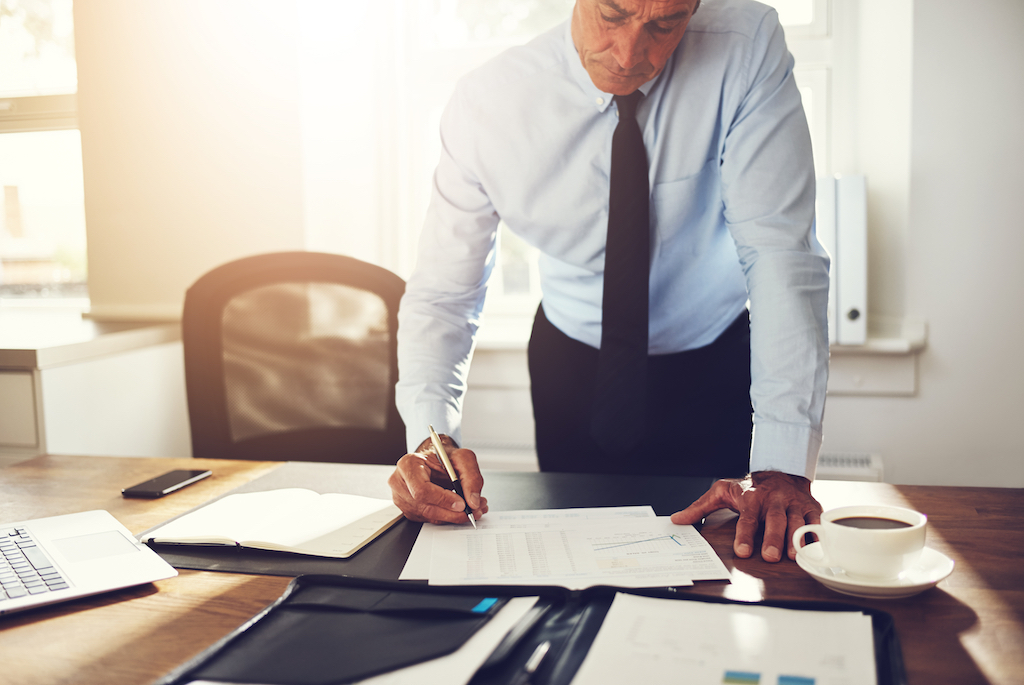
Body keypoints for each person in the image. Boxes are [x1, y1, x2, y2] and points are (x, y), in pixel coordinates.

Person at [387, 0, 829, 563]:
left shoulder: (745, 46)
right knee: (577, 562)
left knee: (722, 565)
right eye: (613, 14)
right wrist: (432, 442)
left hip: (714, 363)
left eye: (664, 24)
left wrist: (783, 466)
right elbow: (445, 294)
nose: (628, 55)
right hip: (572, 366)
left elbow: (780, 254)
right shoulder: (487, 105)